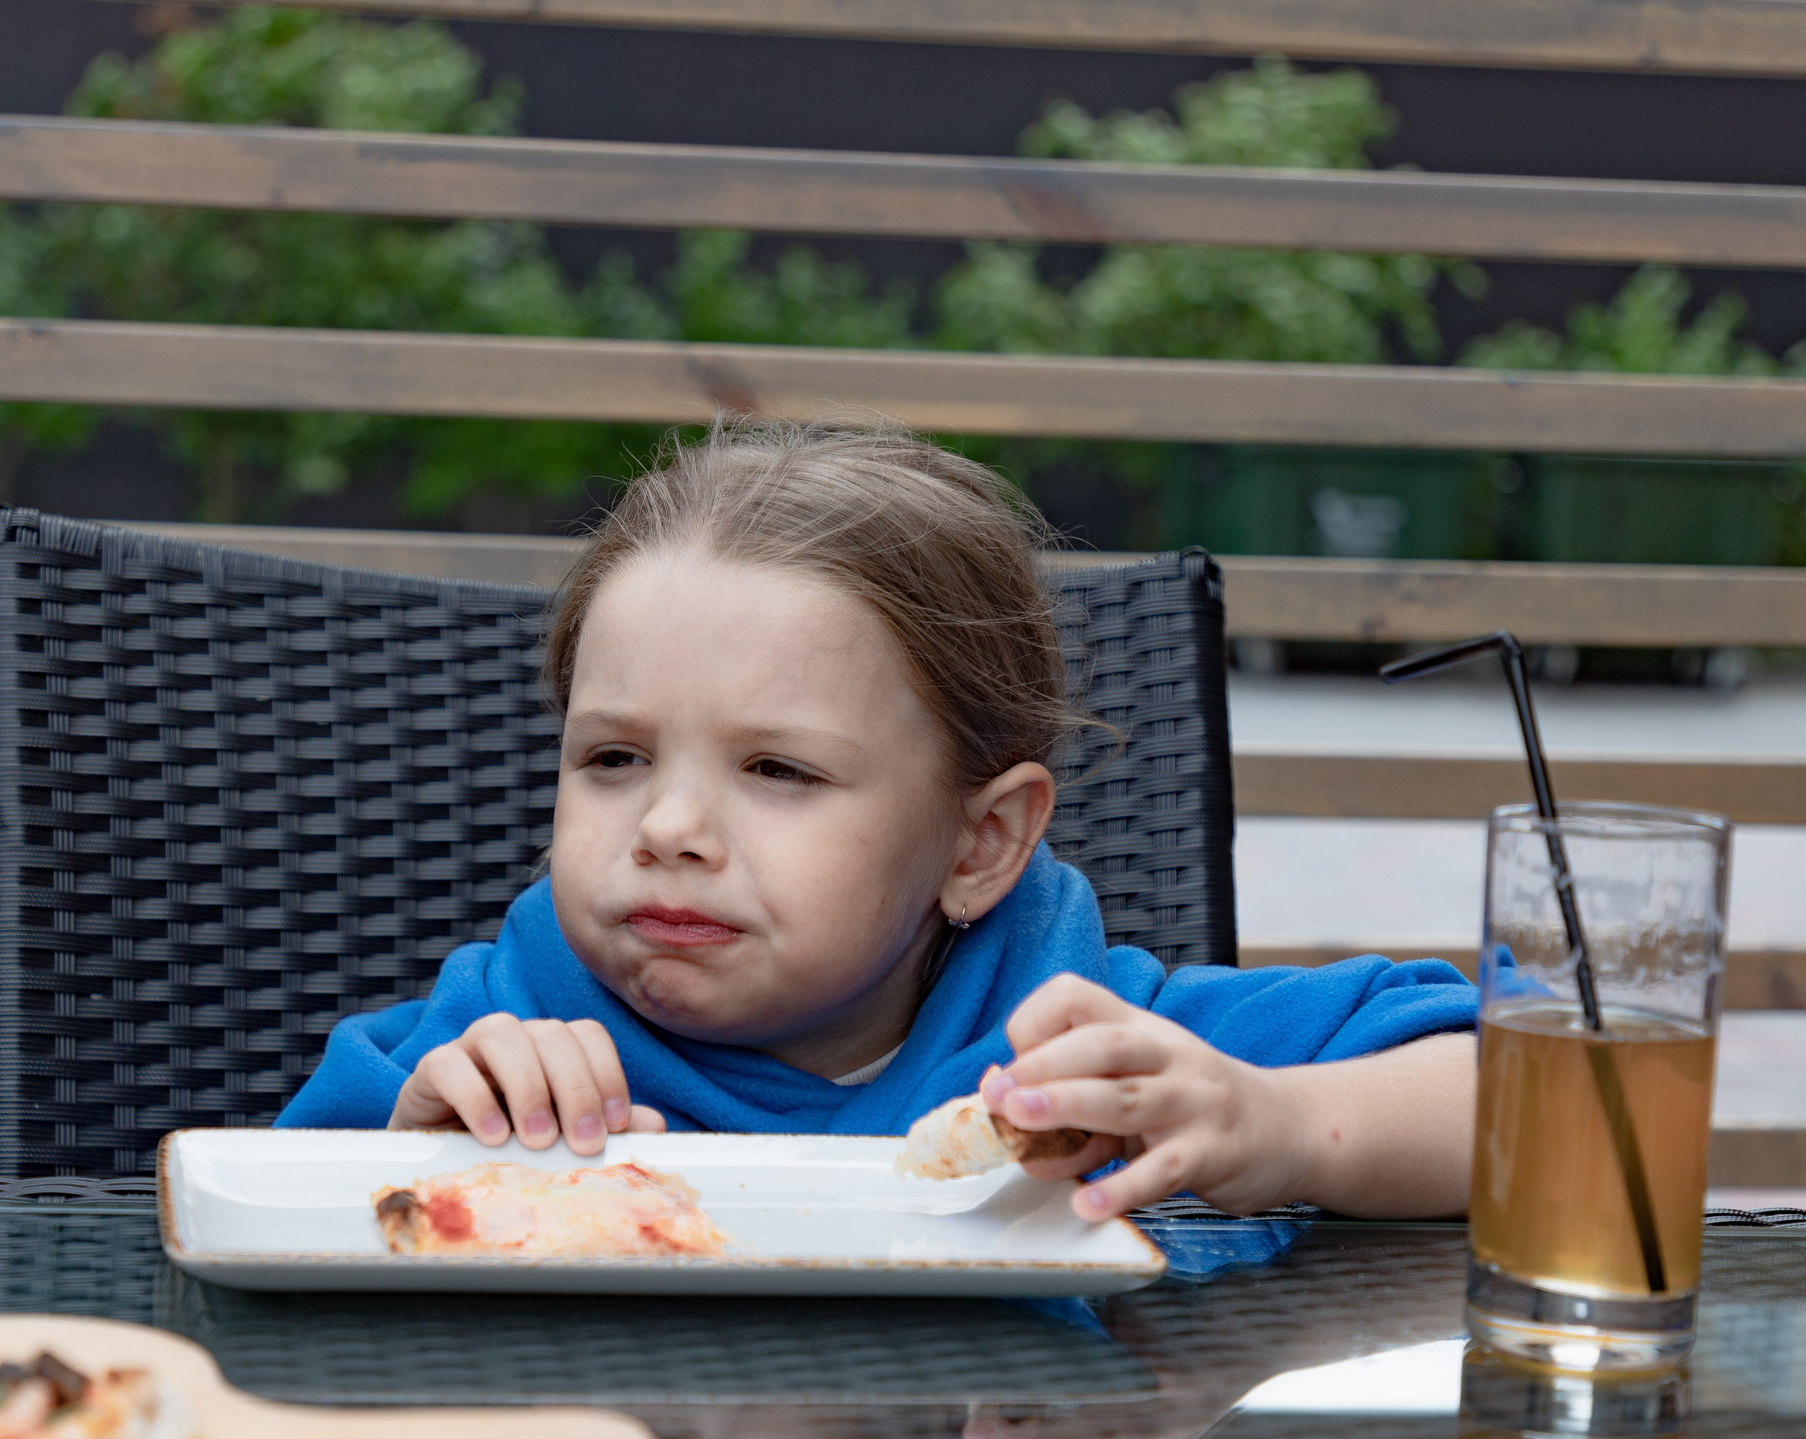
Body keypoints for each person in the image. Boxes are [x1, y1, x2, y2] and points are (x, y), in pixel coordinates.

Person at [277, 415, 1478, 1223]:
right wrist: (412, 1151)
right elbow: (252, 1221)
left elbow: (1532, 1105)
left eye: (778, 771)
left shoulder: (1072, 1054)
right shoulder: (497, 1040)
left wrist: (1268, 1122)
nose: (668, 826)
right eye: (614, 756)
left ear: (980, 844)